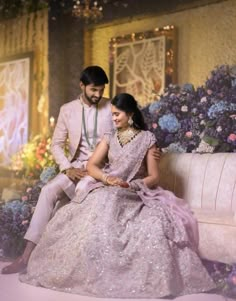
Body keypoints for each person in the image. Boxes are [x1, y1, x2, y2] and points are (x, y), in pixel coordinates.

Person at [19, 93, 215, 298]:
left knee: (132, 212)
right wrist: (106, 179)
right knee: (91, 206)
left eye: (117, 114)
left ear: (130, 114)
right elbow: (92, 165)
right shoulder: (109, 137)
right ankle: (89, 269)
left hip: (134, 191)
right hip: (107, 187)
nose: (113, 118)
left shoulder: (147, 139)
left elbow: (154, 176)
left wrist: (131, 184)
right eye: (112, 114)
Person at [1, 65, 113, 274]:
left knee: (77, 199)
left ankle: (66, 262)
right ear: (82, 86)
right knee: (47, 191)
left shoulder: (112, 107)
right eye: (93, 90)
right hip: (76, 167)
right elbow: (56, 144)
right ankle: (25, 257)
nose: (98, 95)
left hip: (100, 168)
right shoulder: (67, 110)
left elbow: (125, 138)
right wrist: (67, 168)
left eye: (101, 90)